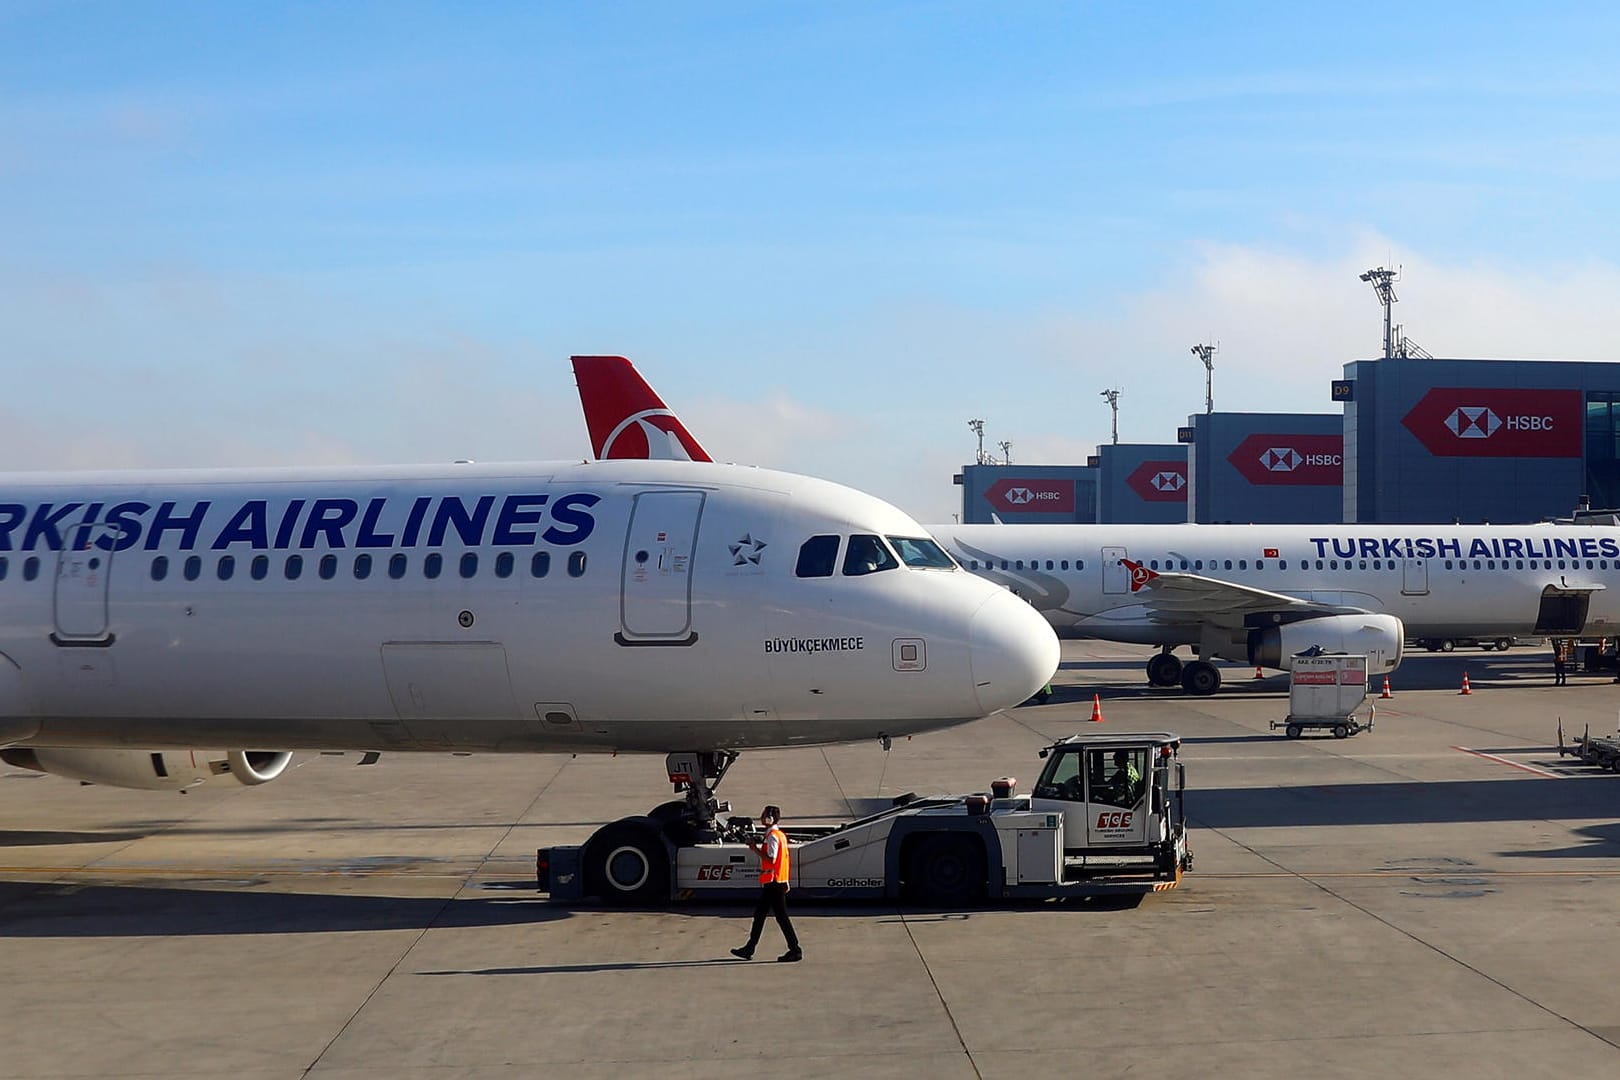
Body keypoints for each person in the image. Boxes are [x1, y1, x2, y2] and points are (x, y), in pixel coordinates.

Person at [731, 805, 802, 963]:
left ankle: (795, 949)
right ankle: (750, 947)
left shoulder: (772, 837)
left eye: (764, 815)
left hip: (774, 883)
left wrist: (754, 849)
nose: (762, 817)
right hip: (777, 882)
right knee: (761, 915)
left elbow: (772, 859)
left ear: (769, 819)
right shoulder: (779, 835)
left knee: (779, 917)